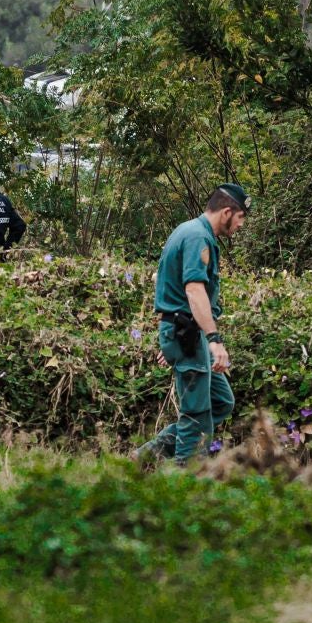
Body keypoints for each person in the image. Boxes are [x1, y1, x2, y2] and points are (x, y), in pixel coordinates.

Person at [135, 183, 249, 469]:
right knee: (196, 415)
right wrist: (214, 339)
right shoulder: (198, 237)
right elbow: (193, 291)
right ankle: (188, 481)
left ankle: (146, 456)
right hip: (187, 334)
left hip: (185, 335)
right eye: (240, 218)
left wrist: (175, 341)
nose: (240, 225)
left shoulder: (192, 232)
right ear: (226, 212)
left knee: (221, 401)